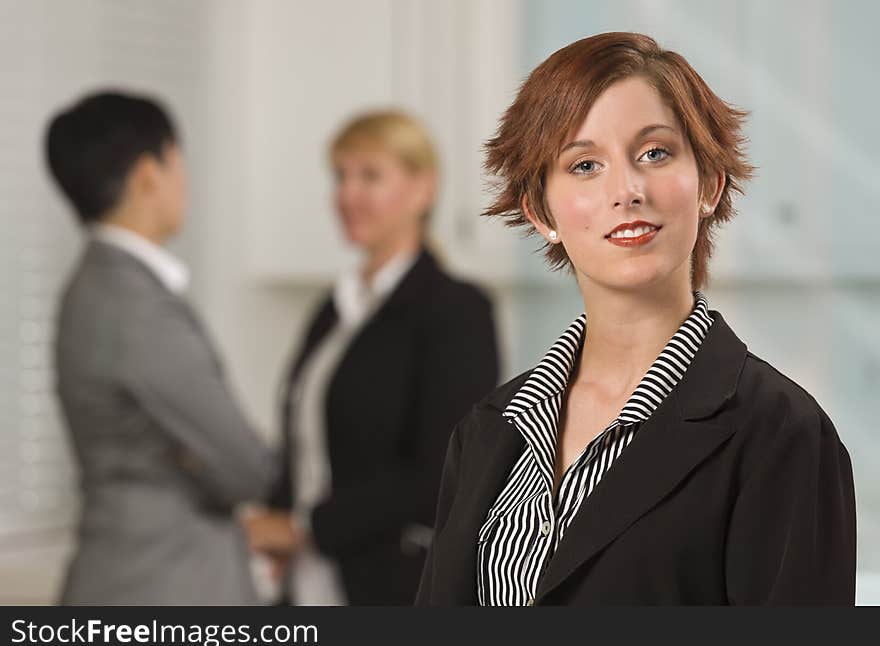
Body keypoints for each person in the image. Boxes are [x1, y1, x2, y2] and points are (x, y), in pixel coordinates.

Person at [415, 32, 856, 606]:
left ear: (709, 184)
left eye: (655, 153)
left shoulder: (782, 433)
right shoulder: (488, 429)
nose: (626, 190)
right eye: (585, 164)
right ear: (541, 210)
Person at [242, 110, 499, 605]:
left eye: (370, 176)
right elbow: (309, 445)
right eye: (341, 176)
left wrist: (303, 528)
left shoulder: (456, 310)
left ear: (424, 189)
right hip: (304, 586)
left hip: (393, 587)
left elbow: (443, 470)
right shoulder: (334, 308)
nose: (347, 194)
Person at [46, 91, 275, 605]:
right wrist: (212, 456)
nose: (184, 180)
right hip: (160, 588)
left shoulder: (93, 287)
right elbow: (246, 466)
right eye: (178, 161)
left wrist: (196, 454)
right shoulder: (134, 303)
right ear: (148, 174)